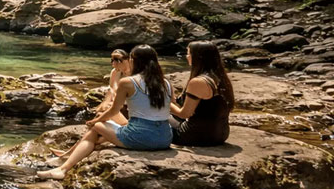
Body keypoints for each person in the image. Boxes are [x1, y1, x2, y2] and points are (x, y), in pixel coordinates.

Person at [37, 44, 173, 180]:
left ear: (134, 60)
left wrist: (94, 121)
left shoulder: (128, 82)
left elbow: (114, 110)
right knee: (102, 126)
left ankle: (63, 168)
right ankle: (66, 158)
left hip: (140, 137)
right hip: (164, 138)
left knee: (97, 127)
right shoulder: (166, 83)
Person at [52, 49, 132, 159]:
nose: (114, 63)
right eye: (112, 60)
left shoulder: (134, 74)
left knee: (98, 123)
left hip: (128, 110)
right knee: (99, 122)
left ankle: (70, 153)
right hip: (117, 106)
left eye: (118, 60)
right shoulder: (115, 72)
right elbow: (112, 90)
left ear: (128, 60)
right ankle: (71, 152)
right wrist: (108, 103)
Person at [170, 41, 234, 146]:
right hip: (221, 135)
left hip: (195, 136)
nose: (187, 56)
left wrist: (165, 103)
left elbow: (184, 114)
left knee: (158, 118)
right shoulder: (221, 78)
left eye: (189, 54)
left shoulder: (198, 82)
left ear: (197, 57)